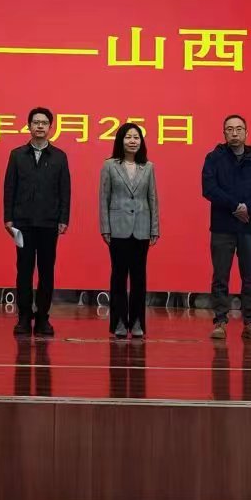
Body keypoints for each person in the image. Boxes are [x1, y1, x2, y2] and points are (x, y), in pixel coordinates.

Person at [3, 107, 72, 338]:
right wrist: (8, 218)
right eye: (36, 122)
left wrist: (63, 218)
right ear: (29, 126)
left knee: (46, 271)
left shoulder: (59, 156)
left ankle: (43, 317)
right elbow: (9, 188)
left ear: (50, 127)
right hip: (22, 223)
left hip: (49, 223)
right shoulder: (17, 155)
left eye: (44, 123)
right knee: (23, 270)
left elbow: (65, 190)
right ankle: (24, 317)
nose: (40, 126)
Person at [202, 114, 251, 341]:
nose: (234, 133)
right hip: (222, 226)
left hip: (249, 226)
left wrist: (247, 207)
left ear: (246, 133)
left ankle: (250, 323)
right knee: (220, 276)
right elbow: (209, 188)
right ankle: (220, 321)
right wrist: (235, 206)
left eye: (239, 129)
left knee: (250, 277)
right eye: (230, 129)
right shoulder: (214, 158)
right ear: (224, 133)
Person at [98, 121, 158, 340]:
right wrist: (105, 228)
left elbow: (153, 198)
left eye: (136, 137)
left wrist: (154, 228)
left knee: (139, 277)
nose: (133, 141)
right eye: (128, 137)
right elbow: (103, 198)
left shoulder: (148, 167)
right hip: (118, 228)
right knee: (119, 277)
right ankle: (120, 322)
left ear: (141, 141)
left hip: (142, 228)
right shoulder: (109, 165)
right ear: (120, 141)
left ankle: (137, 321)